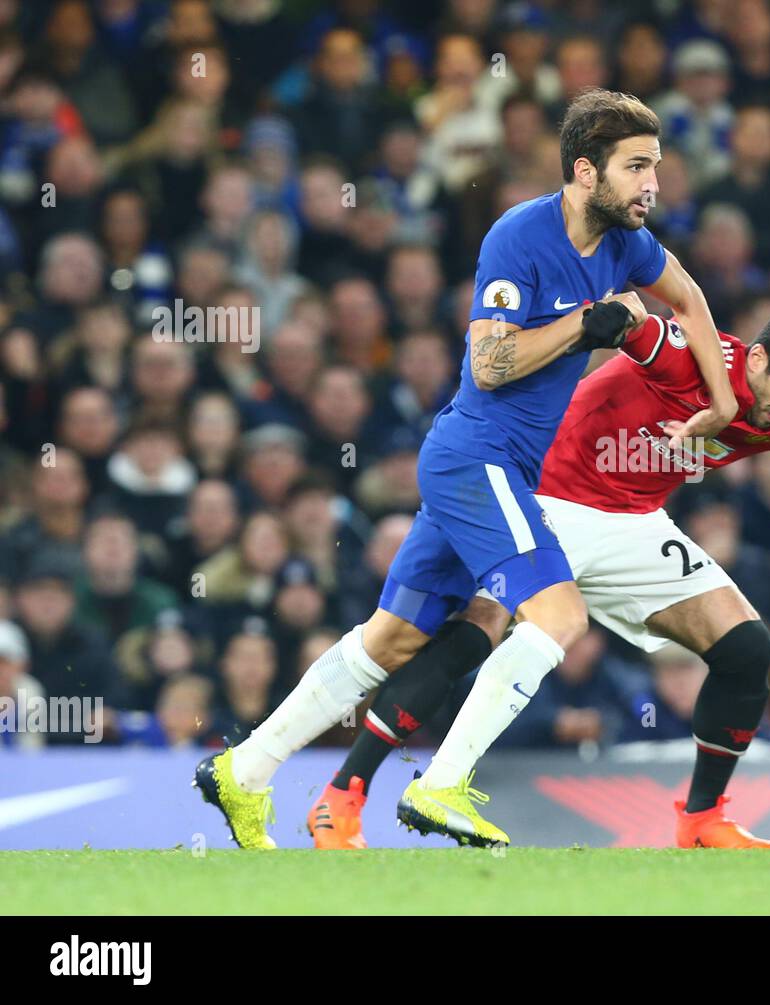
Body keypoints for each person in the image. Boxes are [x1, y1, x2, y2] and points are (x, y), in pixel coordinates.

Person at [194, 88, 738, 850]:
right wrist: (585, 324)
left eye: (657, 165)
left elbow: (691, 299)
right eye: (637, 166)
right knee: (559, 615)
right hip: (476, 458)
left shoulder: (625, 244)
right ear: (586, 171)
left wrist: (718, 402)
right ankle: (442, 785)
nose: (654, 183)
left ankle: (245, 769)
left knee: (389, 640)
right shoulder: (520, 236)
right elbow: (489, 363)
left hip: (491, 470)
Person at [308, 308, 770, 849]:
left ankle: (700, 819)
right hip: (551, 500)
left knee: (746, 648)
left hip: (635, 523)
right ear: (755, 359)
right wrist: (605, 310)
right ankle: (350, 791)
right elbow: (633, 324)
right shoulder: (692, 359)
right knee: (475, 629)